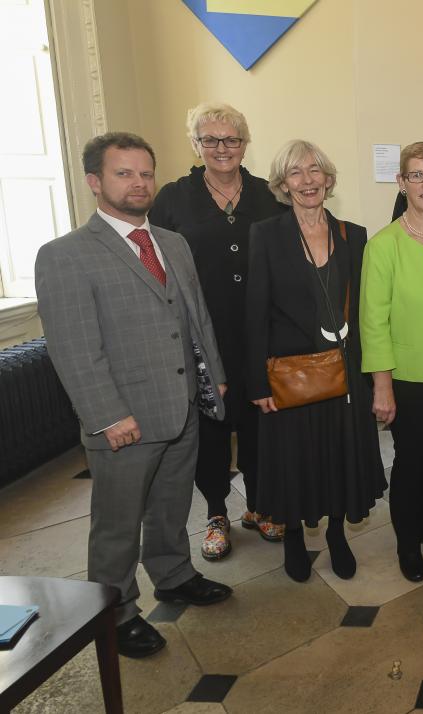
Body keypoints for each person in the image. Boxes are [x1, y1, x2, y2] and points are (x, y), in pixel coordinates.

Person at [35, 132, 233, 658]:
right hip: (125, 420)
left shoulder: (172, 243)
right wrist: (107, 416)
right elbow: (76, 350)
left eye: (145, 173)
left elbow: (195, 316)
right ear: (95, 182)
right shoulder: (65, 256)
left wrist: (214, 375)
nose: (138, 183)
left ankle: (173, 574)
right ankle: (116, 614)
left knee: (171, 506)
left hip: (182, 405)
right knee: (117, 527)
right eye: (124, 173)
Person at [246, 140, 386, 584]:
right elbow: (254, 312)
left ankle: (338, 534)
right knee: (294, 460)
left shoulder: (354, 235)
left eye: (314, 171)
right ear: (282, 184)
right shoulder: (266, 235)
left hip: (344, 374)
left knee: (339, 456)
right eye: (295, 173)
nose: (307, 181)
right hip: (289, 376)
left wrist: (373, 378)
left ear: (328, 178)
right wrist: (257, 383)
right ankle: (292, 536)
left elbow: (367, 311)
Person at [150, 102, 285, 560]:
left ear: (245, 144)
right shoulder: (172, 198)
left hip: (259, 333)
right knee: (210, 425)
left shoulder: (269, 195)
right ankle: (215, 511)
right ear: (196, 144)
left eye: (231, 139)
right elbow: (158, 270)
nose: (222, 148)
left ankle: (261, 505)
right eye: (211, 139)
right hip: (199, 333)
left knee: (260, 420)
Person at [360, 142, 423, 582]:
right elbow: (373, 323)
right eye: (417, 176)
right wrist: (382, 386)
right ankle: (407, 540)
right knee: (412, 459)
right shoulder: (383, 246)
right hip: (409, 376)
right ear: (402, 182)